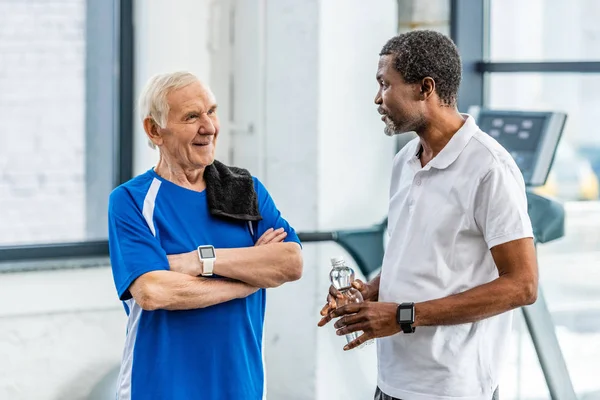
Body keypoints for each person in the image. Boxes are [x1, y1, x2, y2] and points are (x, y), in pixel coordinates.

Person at [318, 30, 537, 400]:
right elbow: (422, 259)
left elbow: (523, 285)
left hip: (453, 388)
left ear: (425, 88)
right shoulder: (406, 160)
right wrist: (371, 291)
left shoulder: (489, 168)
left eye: (385, 85)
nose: (377, 98)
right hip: (392, 381)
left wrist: (402, 315)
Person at [108, 71, 303, 400]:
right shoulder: (131, 201)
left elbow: (290, 262)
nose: (209, 127)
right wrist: (248, 281)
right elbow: (153, 291)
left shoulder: (243, 189)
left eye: (211, 111)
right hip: (158, 388)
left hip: (240, 387)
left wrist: (202, 261)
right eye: (191, 117)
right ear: (155, 130)